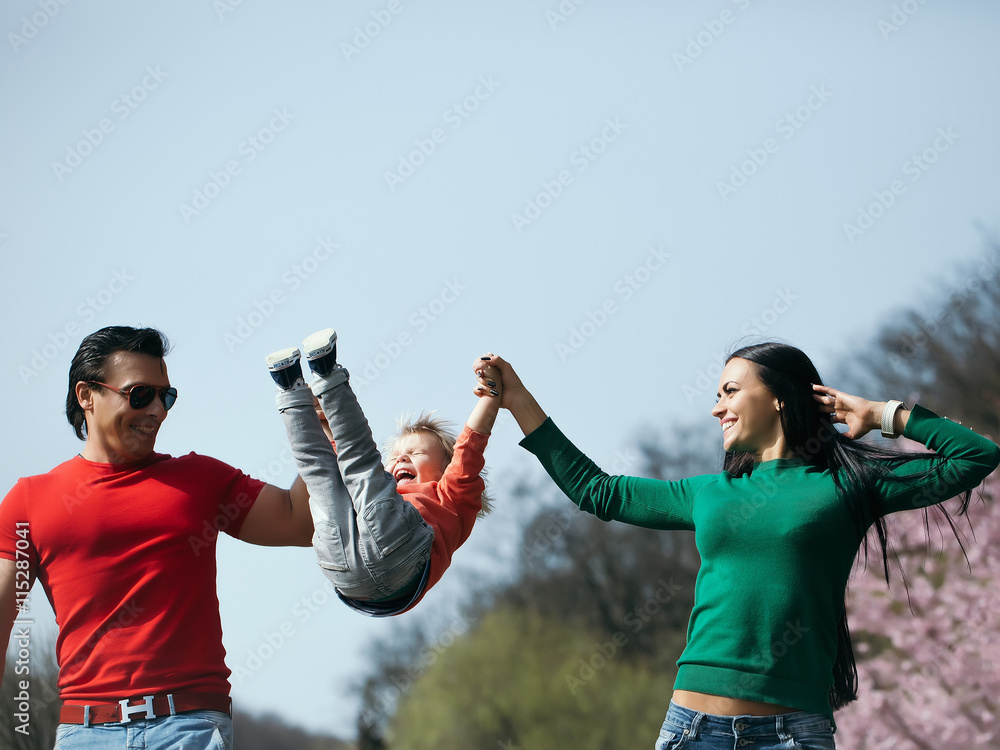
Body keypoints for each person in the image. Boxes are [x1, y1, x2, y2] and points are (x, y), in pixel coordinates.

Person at [475, 343, 1000, 750]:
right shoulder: (710, 494)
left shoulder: (849, 487)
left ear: (777, 398)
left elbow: (976, 457)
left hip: (795, 733)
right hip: (692, 728)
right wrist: (516, 397)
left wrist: (881, 413)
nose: (716, 408)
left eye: (729, 391)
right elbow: (598, 491)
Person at [0, 326, 319, 750]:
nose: (157, 410)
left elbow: (299, 522)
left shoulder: (201, 479)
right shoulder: (28, 501)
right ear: (86, 395)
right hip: (86, 734)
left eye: (165, 396)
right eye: (140, 395)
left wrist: (319, 431)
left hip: (191, 728)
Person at [265, 329, 500, 616]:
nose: (401, 458)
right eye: (397, 456)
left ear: (445, 470)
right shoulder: (390, 495)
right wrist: (325, 421)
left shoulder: (451, 495)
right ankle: (290, 387)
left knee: (356, 465)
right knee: (325, 477)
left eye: (416, 453)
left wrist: (490, 396)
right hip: (351, 579)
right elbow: (338, 463)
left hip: (393, 559)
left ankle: (325, 376)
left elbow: (468, 450)